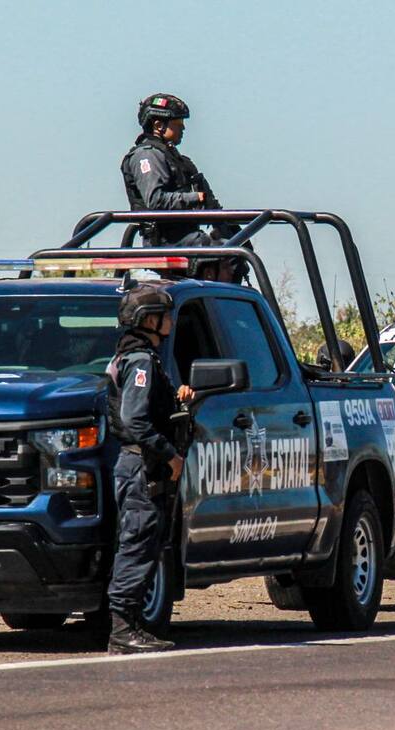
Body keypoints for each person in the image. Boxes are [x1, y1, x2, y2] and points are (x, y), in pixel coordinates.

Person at [104, 284, 194, 654]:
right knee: (138, 545)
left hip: (138, 465)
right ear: (149, 320)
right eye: (165, 314)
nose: (171, 320)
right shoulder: (140, 360)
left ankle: (132, 625)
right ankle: (123, 629)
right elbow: (135, 419)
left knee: (145, 542)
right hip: (142, 466)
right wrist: (170, 455)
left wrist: (177, 399)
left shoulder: (136, 357)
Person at [120, 93, 246, 283]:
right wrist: (195, 198)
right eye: (177, 124)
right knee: (227, 254)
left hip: (186, 234)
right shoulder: (148, 156)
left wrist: (227, 224)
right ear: (158, 125)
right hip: (166, 239)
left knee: (237, 247)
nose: (183, 128)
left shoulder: (178, 160)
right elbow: (155, 201)